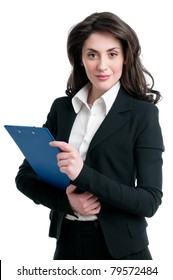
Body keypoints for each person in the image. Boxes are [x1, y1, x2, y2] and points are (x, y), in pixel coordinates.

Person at [15, 12, 164, 260]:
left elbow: (149, 201)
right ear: (81, 59)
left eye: (112, 54)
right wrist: (66, 202)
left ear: (126, 57)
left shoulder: (142, 114)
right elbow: (25, 177)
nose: (102, 65)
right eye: (92, 54)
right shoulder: (62, 109)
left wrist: (82, 174)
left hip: (122, 251)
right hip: (68, 244)